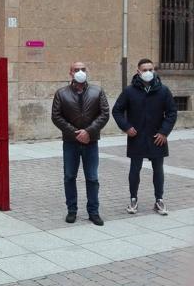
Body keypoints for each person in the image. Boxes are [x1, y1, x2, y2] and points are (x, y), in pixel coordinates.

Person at [112, 58, 177, 216]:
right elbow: (117, 111)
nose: (148, 72)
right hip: (137, 137)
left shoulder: (163, 90)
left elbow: (172, 113)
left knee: (158, 170)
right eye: (144, 70)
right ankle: (133, 199)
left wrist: (164, 132)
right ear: (138, 72)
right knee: (135, 169)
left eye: (150, 69)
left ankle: (159, 200)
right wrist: (126, 127)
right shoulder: (129, 91)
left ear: (154, 70)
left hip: (157, 137)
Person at [51, 61, 110, 226]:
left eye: (83, 69)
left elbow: (104, 114)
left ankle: (94, 211)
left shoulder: (97, 91)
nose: (80, 72)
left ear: (87, 71)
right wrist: (75, 133)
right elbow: (56, 116)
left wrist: (88, 132)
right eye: (76, 69)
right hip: (71, 142)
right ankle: (72, 210)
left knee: (92, 178)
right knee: (69, 176)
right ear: (70, 73)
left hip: (91, 142)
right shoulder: (61, 93)